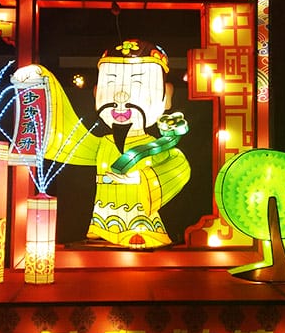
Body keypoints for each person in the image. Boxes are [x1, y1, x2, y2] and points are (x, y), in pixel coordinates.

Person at [12, 39, 190, 248]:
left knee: (139, 227)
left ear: (167, 97)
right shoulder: (102, 144)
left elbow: (179, 166)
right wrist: (40, 83)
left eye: (138, 85)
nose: (121, 96)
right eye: (110, 85)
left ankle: (139, 228)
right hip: (103, 217)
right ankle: (102, 228)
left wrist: (141, 179)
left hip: (141, 220)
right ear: (96, 93)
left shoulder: (155, 146)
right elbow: (69, 141)